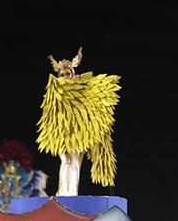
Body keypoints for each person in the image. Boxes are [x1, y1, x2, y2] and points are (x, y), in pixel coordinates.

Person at [36, 47, 121, 196]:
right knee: (65, 160)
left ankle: (71, 193)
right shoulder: (56, 92)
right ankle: (62, 192)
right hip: (63, 134)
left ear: (73, 74)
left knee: (74, 160)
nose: (64, 77)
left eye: (67, 73)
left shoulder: (81, 90)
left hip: (79, 134)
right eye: (61, 74)